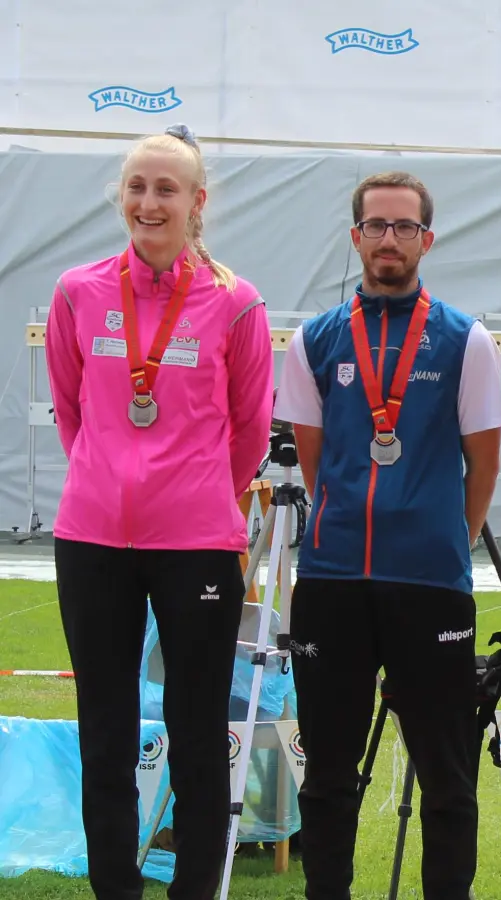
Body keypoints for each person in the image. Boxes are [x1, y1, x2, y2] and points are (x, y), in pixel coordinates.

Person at [44, 122, 274, 900]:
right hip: (92, 539)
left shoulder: (237, 304)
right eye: (137, 185)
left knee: (200, 732)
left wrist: (198, 493)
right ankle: (116, 887)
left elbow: (248, 431)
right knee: (104, 730)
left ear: (196, 201)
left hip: (197, 544)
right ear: (121, 195)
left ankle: (192, 893)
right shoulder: (77, 291)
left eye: (166, 188)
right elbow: (74, 413)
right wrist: (108, 478)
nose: (149, 201)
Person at [273, 170, 501, 900]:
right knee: (330, 772)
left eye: (405, 227)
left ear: (426, 240)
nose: (389, 239)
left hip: (430, 584)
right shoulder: (314, 340)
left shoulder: (466, 340)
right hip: (333, 581)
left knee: (445, 776)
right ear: (356, 237)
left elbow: (483, 466)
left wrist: (441, 541)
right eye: (376, 225)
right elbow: (316, 463)